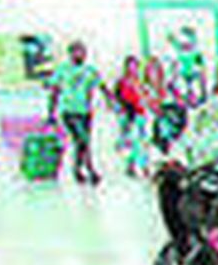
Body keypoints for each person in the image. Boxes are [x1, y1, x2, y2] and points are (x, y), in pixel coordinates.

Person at [46, 39, 104, 185]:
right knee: (82, 139)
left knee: (82, 143)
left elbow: (101, 86)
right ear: (71, 54)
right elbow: (54, 91)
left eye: (83, 52)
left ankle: (77, 170)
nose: (80, 55)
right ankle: (91, 170)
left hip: (84, 111)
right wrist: (51, 113)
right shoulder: (62, 70)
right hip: (68, 111)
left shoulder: (90, 70)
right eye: (77, 52)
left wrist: (114, 102)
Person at [112, 54, 151, 178]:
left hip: (140, 114)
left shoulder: (140, 82)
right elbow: (117, 97)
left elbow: (145, 96)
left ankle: (140, 165)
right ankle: (134, 164)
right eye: (130, 66)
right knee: (133, 140)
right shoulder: (122, 82)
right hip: (129, 114)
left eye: (135, 66)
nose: (133, 69)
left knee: (141, 141)